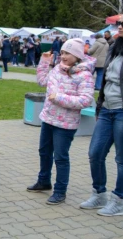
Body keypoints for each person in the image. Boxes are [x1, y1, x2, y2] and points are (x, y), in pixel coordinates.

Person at [27, 38, 95, 205]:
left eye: (68, 53)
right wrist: (44, 62)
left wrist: (59, 98)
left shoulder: (84, 75)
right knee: (44, 151)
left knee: (60, 157)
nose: (63, 56)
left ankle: (60, 191)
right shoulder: (57, 69)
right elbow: (42, 81)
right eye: (63, 52)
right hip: (48, 118)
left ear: (77, 56)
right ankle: (43, 181)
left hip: (66, 124)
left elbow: (85, 100)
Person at [81, 23, 123, 216]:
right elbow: (105, 79)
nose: (119, 27)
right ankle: (99, 193)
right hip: (107, 109)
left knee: (121, 159)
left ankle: (119, 200)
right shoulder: (115, 47)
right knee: (95, 153)